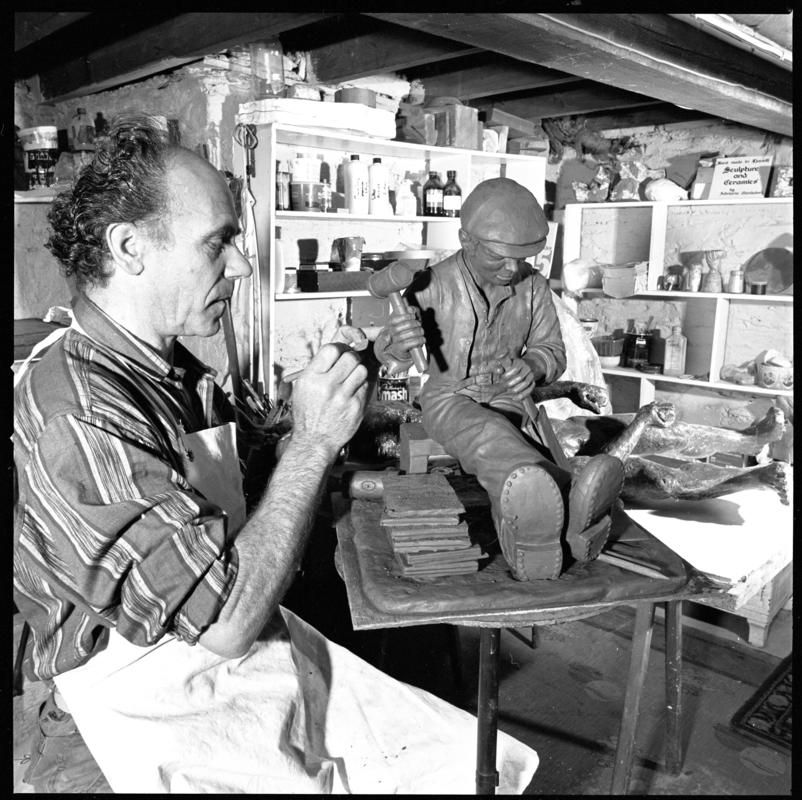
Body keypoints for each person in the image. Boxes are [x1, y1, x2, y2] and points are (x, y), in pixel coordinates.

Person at [13, 115, 538, 794]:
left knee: (452, 753)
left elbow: (246, 488)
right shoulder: (81, 409)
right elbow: (226, 622)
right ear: (129, 246)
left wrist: (344, 389)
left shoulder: (167, 370)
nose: (242, 263)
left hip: (202, 665)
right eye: (218, 243)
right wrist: (316, 440)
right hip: (121, 706)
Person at [375, 178, 624, 581]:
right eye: (499, 257)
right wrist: (400, 346)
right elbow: (389, 356)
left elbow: (552, 351)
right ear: (466, 241)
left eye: (523, 258)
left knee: (524, 444)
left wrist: (534, 367)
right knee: (492, 439)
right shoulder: (429, 285)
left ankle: (543, 537)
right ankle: (568, 503)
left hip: (512, 397)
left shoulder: (533, 286)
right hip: (451, 397)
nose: (512, 269)